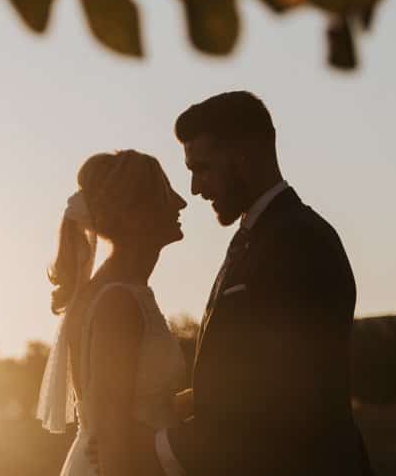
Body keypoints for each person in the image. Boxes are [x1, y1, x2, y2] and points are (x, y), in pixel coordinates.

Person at [99, 90, 373, 476]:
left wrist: (154, 447)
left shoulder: (300, 242)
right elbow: (243, 378)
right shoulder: (258, 236)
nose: (194, 189)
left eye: (203, 168)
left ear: (245, 155)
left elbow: (281, 400)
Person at [37, 149, 190, 476]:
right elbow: (113, 436)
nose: (180, 202)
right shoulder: (117, 302)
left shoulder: (114, 292)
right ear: (135, 214)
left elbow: (144, 409)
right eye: (164, 193)